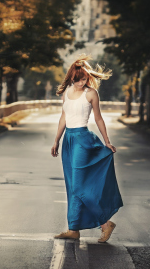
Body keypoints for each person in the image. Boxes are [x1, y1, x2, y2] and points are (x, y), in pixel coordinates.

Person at [50, 54, 123, 243]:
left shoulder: (91, 93)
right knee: (72, 185)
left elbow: (98, 118)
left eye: (84, 78)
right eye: (78, 79)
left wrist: (107, 141)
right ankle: (73, 229)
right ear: (71, 77)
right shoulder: (66, 91)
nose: (81, 82)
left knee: (79, 186)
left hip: (83, 139)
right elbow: (63, 118)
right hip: (68, 141)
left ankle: (106, 224)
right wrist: (56, 140)